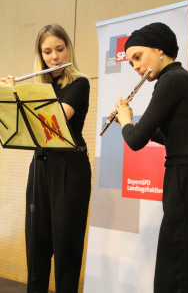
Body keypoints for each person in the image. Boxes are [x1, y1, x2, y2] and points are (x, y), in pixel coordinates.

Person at [0, 23, 91, 293]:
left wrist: (18, 95)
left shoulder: (80, 83)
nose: (54, 57)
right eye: (47, 52)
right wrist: (10, 95)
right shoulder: (39, 88)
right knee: (36, 247)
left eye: (60, 49)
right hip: (40, 166)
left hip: (70, 168)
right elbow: (22, 126)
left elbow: (55, 119)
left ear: (68, 49)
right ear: (40, 55)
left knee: (66, 248)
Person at [115, 22, 188, 293]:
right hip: (187, 175)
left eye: (138, 57)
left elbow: (135, 140)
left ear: (159, 49)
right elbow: (171, 137)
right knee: (181, 259)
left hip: (185, 178)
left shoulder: (172, 80)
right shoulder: (180, 79)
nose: (136, 66)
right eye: (131, 63)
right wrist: (131, 124)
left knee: (176, 265)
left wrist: (127, 121)